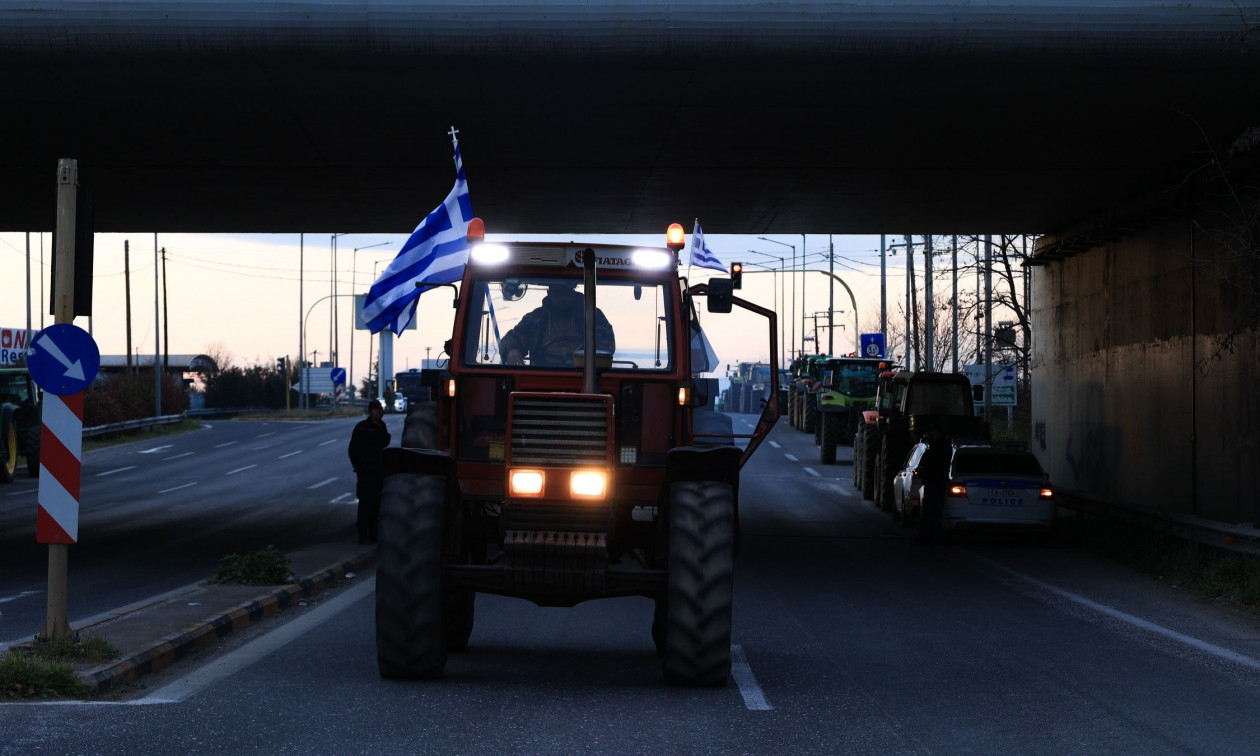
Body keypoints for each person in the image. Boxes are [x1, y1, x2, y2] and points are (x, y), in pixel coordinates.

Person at [499, 282, 615, 366]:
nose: (562, 297)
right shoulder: (535, 319)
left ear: (573, 292)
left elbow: (606, 346)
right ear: (549, 293)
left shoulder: (593, 317)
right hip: (540, 378)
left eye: (566, 292)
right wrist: (511, 351)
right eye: (557, 292)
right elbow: (511, 339)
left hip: (583, 377)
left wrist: (580, 359)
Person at [348, 399, 391, 544]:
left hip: (379, 471)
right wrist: (358, 466)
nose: (380, 412)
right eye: (377, 409)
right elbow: (353, 450)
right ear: (371, 411)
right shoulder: (362, 428)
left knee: (377, 503)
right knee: (365, 502)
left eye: (380, 409)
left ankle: (373, 532)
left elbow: (384, 443)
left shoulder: (382, 427)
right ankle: (362, 533)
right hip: (366, 472)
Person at [915, 430, 953, 545]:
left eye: (933, 434)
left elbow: (926, 465)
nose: (930, 436)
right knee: (936, 512)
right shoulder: (945, 448)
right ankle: (934, 536)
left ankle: (928, 537)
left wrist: (923, 472)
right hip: (937, 482)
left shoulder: (935, 450)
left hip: (933, 483)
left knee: (930, 512)